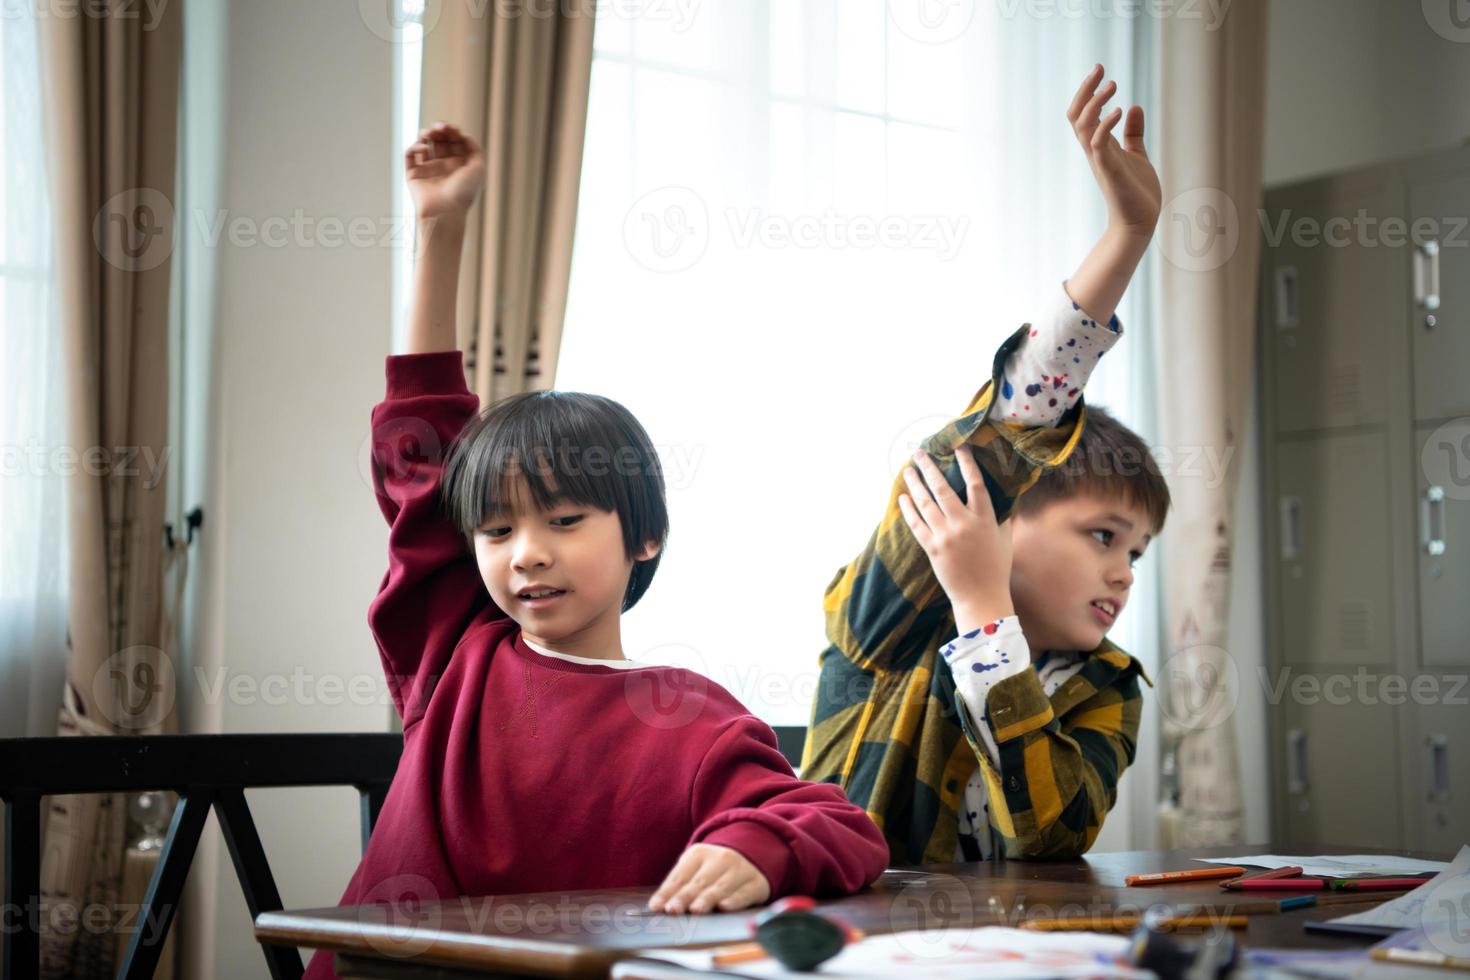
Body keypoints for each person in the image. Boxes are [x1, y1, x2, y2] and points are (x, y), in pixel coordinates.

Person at [302, 121, 888, 980]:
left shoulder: (691, 716)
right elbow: (419, 454)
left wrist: (759, 848)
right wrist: (441, 230)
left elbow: (842, 826)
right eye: (497, 532)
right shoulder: (450, 651)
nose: (526, 554)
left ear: (644, 535)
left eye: (565, 521)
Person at [800, 64, 1170, 865]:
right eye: (1103, 536)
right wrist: (1126, 239)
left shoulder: (1106, 688)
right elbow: (1012, 427)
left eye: (1136, 552)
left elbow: (1047, 835)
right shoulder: (886, 621)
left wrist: (988, 614)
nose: (1125, 574)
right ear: (1003, 509)